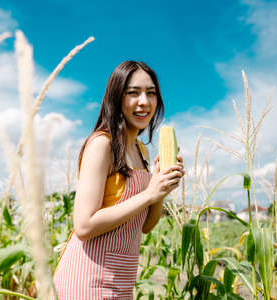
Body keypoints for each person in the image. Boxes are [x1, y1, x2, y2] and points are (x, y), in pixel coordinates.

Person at [52, 61, 185, 299]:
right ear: (116, 98)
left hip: (122, 279)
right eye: (133, 93)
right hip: (87, 279)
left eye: (151, 93)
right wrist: (148, 194)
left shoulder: (142, 152)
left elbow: (145, 226)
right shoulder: (101, 145)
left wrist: (161, 187)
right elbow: (84, 226)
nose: (144, 101)